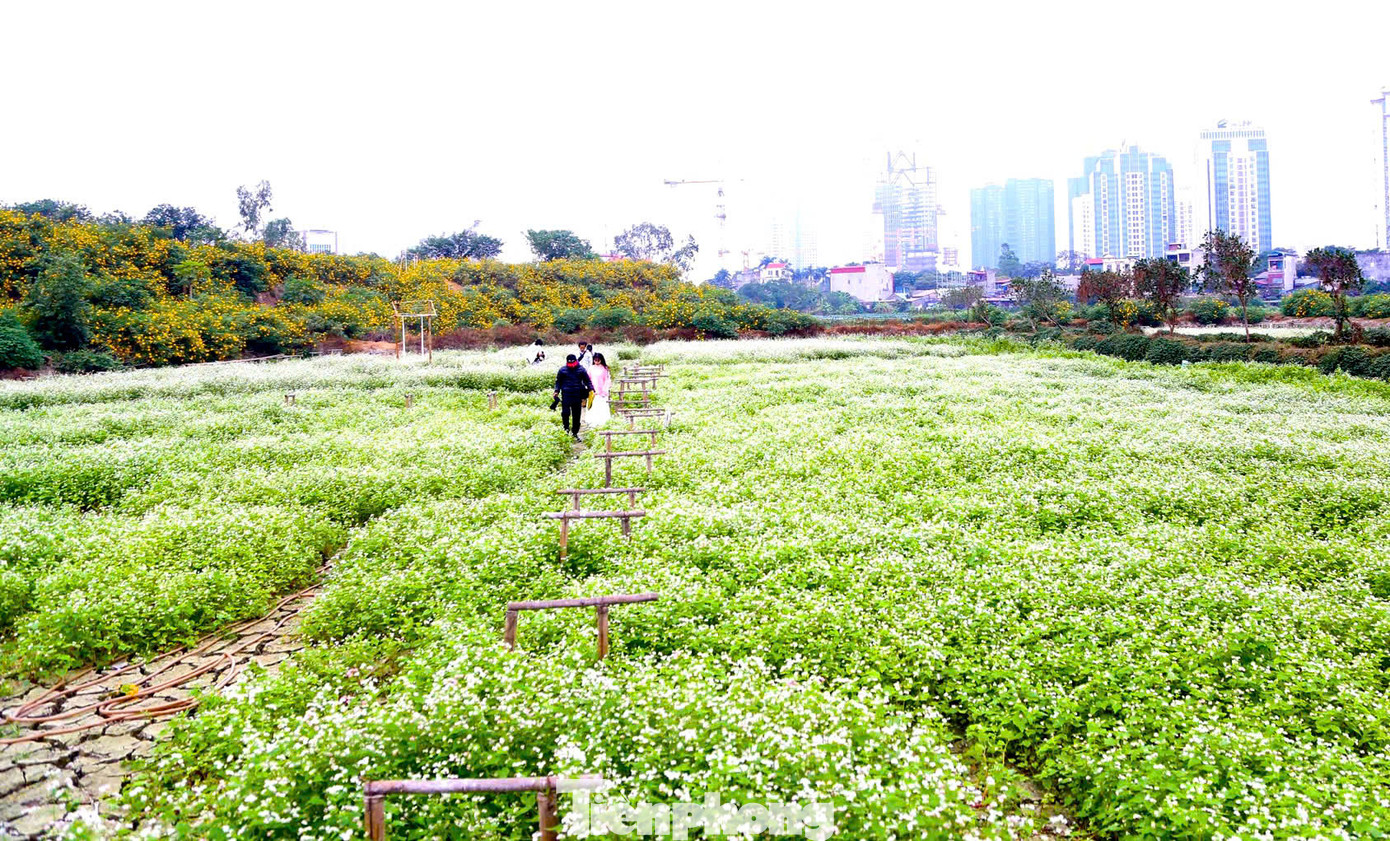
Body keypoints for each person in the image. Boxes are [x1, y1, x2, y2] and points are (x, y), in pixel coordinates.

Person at [553, 354, 593, 440]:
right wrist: (556, 391)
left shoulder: (581, 369)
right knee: (565, 413)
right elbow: (558, 382)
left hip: (577, 395)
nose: (571, 365)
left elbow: (587, 381)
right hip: (566, 395)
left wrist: (591, 389)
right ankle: (566, 431)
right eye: (569, 363)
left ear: (576, 361)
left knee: (576, 415)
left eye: (573, 363)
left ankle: (575, 433)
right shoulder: (562, 370)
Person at [586, 352, 612, 426]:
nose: (597, 362)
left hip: (602, 392)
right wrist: (590, 389)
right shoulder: (591, 368)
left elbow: (607, 380)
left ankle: (603, 422)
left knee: (601, 407)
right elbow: (588, 379)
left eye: (598, 360)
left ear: (601, 360)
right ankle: (593, 422)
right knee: (593, 406)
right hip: (593, 391)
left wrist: (603, 391)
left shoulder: (605, 368)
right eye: (595, 360)